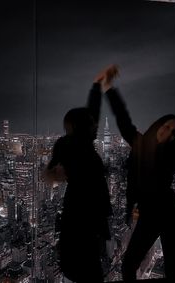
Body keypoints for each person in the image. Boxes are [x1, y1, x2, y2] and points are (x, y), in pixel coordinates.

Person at [102, 65, 175, 281]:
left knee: (173, 267)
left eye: (173, 131)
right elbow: (124, 121)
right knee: (127, 267)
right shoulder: (141, 144)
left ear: (174, 137)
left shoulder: (173, 151)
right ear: (159, 124)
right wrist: (109, 89)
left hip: (171, 215)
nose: (168, 130)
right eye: (167, 125)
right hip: (150, 214)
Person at [43, 67, 114, 283]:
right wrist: (56, 174)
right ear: (82, 126)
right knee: (88, 267)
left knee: (88, 263)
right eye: (92, 124)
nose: (96, 126)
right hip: (83, 211)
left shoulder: (79, 143)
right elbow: (50, 173)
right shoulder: (70, 144)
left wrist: (96, 87)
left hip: (85, 210)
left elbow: (92, 112)